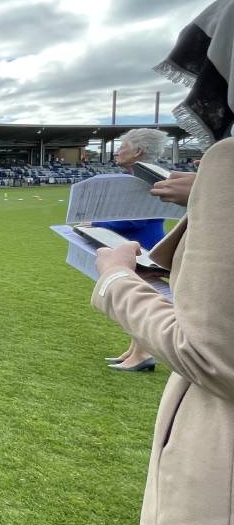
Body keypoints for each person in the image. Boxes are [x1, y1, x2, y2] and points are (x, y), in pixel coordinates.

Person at [89, 0, 234, 525]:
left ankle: (137, 351)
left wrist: (115, 279)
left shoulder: (226, 164)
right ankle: (134, 350)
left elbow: (212, 354)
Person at [91, 128, 169, 372]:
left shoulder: (145, 179)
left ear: (137, 151)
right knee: (136, 296)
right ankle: (136, 350)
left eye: (123, 145)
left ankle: (143, 353)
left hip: (140, 246)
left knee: (137, 297)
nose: (118, 150)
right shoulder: (137, 176)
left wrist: (96, 224)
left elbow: (136, 219)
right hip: (134, 243)